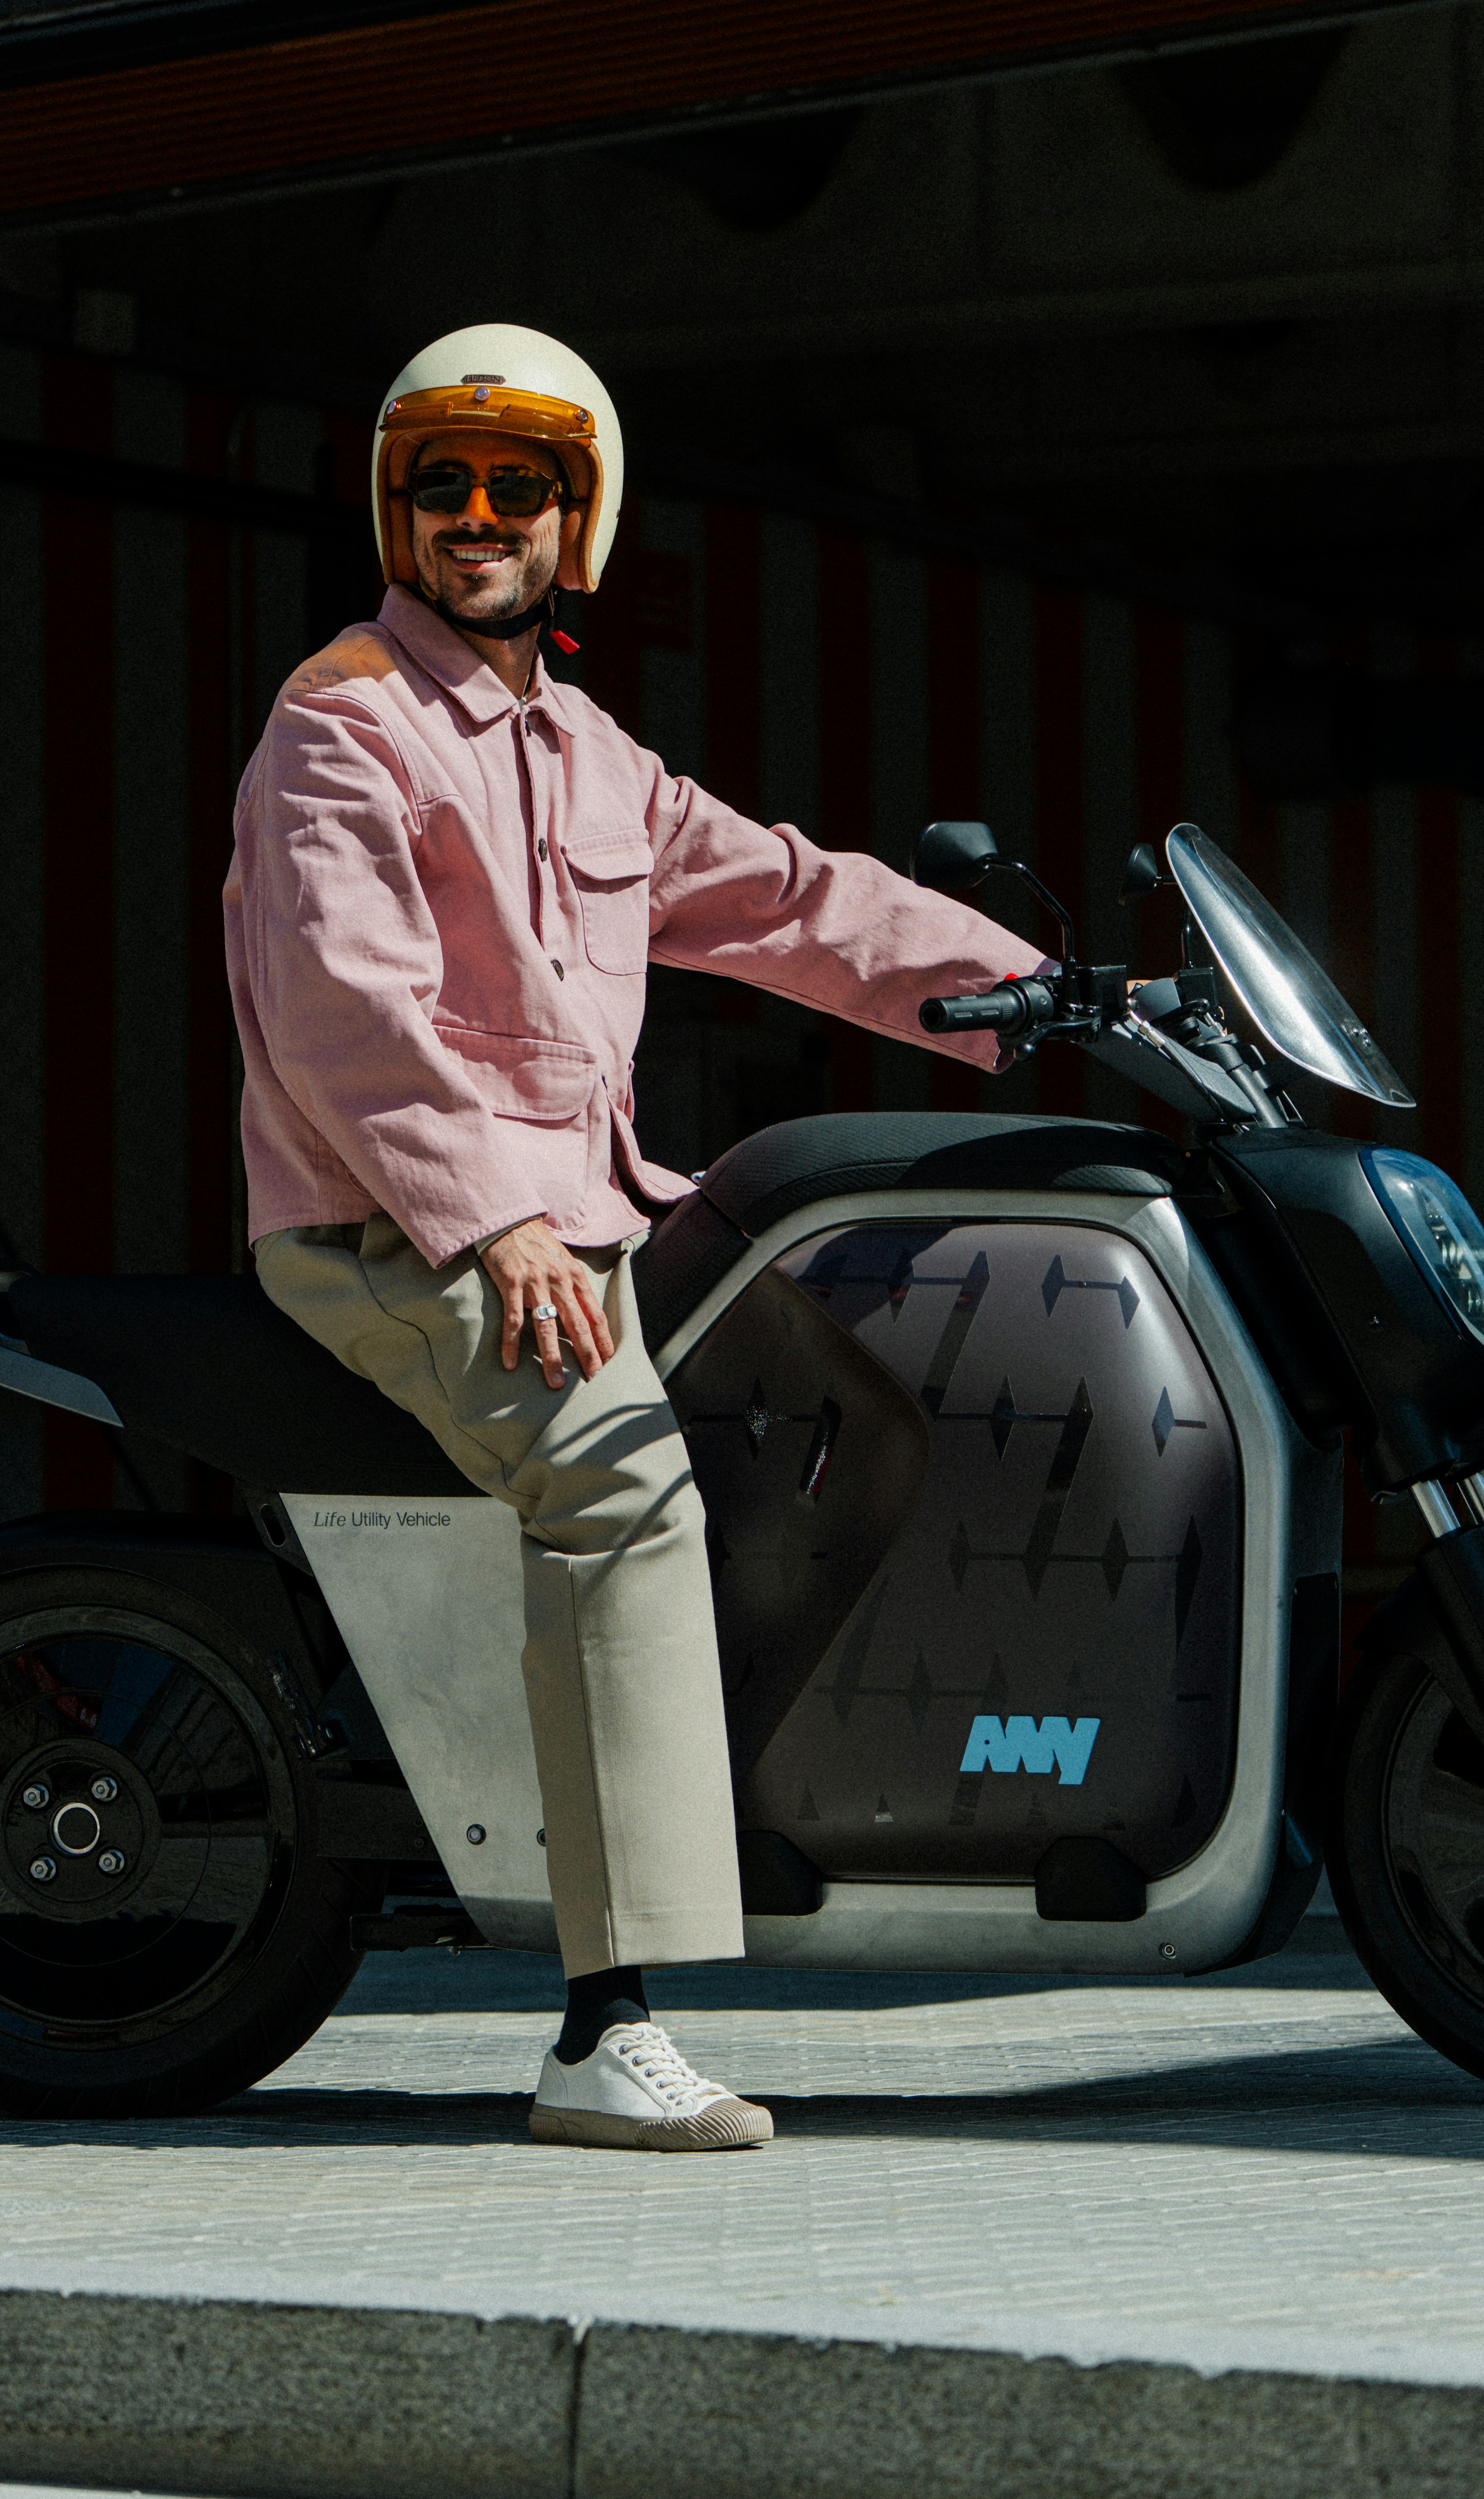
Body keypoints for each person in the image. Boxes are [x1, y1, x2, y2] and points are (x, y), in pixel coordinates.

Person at [225, 323, 1045, 2152]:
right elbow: (345, 1008)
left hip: (586, 1215)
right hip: (403, 1223)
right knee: (622, 1494)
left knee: (871, 1434)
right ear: (397, 507)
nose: (477, 514)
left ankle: (682, 1773)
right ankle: (608, 2026)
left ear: (577, 515)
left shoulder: (586, 753)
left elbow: (791, 899)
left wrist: (1037, 991)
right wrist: (495, 1215)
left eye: (518, 483)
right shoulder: (341, 720)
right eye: (442, 481)